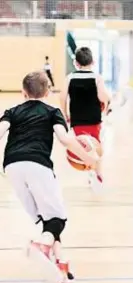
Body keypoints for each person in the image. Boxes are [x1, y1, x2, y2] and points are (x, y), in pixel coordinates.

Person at [0, 71, 100, 283]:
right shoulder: (53, 112)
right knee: (58, 219)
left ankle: (61, 265)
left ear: (23, 92)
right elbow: (66, 139)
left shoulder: (12, 111)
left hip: (12, 166)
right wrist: (90, 158)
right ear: (48, 91)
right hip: (37, 164)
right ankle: (40, 246)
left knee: (48, 220)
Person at [59, 47, 110, 193]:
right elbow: (102, 97)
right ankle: (97, 175)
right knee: (95, 146)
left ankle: (91, 171)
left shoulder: (69, 78)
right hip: (94, 119)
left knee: (83, 147)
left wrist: (64, 114)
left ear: (75, 62)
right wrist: (106, 104)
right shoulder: (96, 77)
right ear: (93, 61)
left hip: (77, 119)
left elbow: (62, 98)